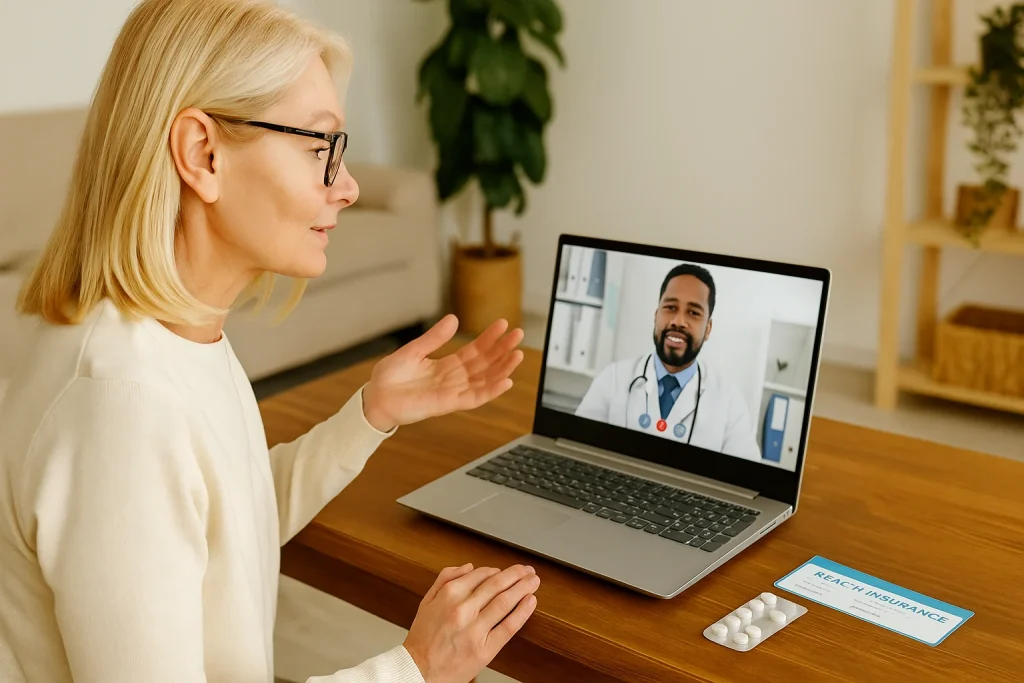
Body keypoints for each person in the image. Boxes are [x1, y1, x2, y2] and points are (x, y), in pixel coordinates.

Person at [0, 0, 541, 681]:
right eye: (320, 147)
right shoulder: (122, 404)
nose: (345, 186)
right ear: (203, 154)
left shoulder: (174, 332)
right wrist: (417, 667)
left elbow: (226, 527)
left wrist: (370, 414)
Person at [574, 263, 761, 460]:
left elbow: (747, 480)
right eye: (670, 307)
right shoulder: (613, 378)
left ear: (708, 329)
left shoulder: (730, 402)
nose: (678, 321)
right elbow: (575, 450)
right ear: (656, 316)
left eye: (693, 313)